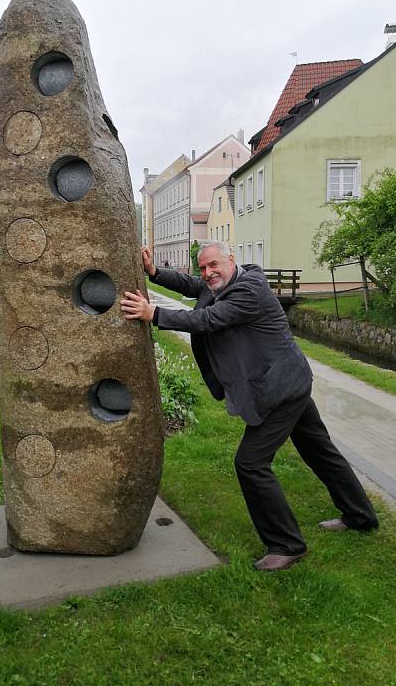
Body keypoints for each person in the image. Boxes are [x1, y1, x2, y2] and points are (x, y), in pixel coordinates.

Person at [121, 242, 378, 571]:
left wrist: (152, 313)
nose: (207, 273)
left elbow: (208, 319)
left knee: (250, 463)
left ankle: (287, 544)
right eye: (202, 267)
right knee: (319, 451)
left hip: (280, 390)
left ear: (231, 260)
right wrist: (154, 272)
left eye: (213, 264)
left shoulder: (249, 290)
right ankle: (360, 516)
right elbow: (192, 286)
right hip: (290, 382)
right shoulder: (226, 283)